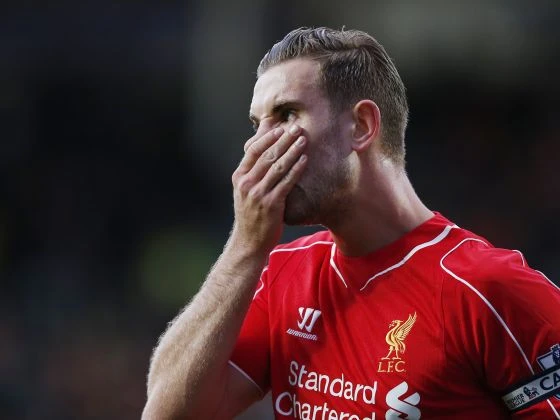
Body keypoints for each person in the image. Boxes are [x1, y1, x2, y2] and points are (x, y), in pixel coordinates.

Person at [142, 27, 560, 419]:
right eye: (257, 124)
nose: (257, 145)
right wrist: (245, 248)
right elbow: (167, 414)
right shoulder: (283, 274)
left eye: (286, 114)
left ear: (361, 126)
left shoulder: (487, 290)